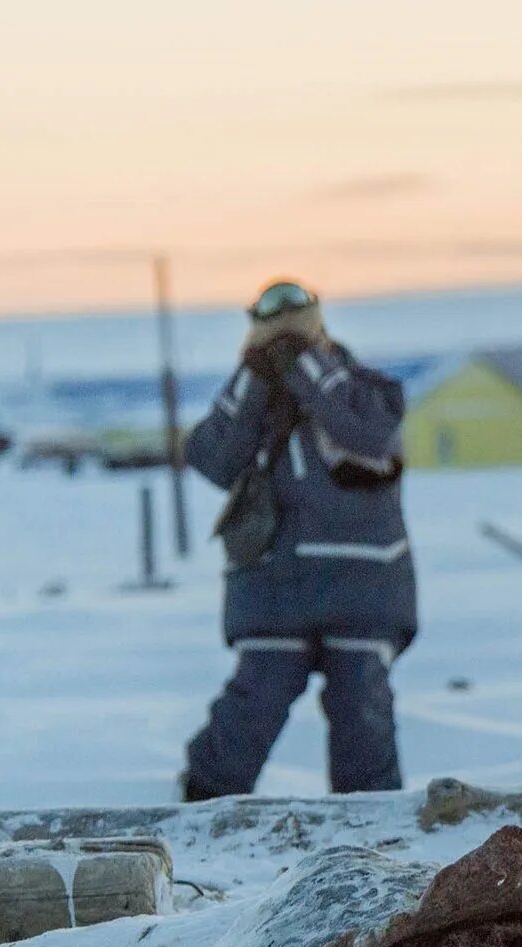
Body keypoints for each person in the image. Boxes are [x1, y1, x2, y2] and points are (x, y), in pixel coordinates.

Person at [179, 279, 415, 800]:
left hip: (361, 588)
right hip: (275, 588)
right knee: (252, 708)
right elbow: (212, 459)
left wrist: (305, 366)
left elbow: (368, 432)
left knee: (362, 714)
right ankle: (201, 813)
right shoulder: (249, 400)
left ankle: (372, 829)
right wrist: (256, 379)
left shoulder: (368, 392)